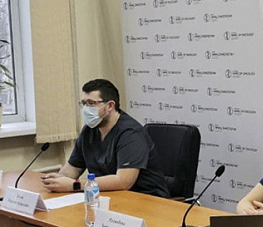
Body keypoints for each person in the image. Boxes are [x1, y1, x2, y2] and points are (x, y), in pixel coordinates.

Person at [41, 79, 169, 197]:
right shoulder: (89, 130)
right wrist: (59, 179)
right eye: (84, 104)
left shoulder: (130, 133)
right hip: (108, 196)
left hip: (145, 199)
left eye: (91, 103)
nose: (86, 109)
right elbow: (74, 167)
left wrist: (75, 185)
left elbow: (124, 182)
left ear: (110, 106)